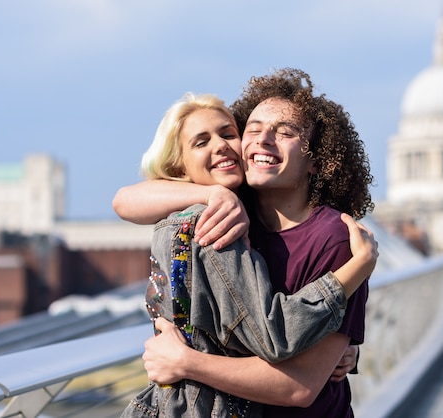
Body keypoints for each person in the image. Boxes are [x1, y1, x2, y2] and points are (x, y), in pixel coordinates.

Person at [114, 68, 375, 417]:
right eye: (252, 129)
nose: (264, 139)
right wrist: (213, 193)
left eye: (284, 132)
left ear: (316, 160)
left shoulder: (336, 239)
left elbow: (298, 386)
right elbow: (125, 201)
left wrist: (186, 363)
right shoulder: (226, 215)